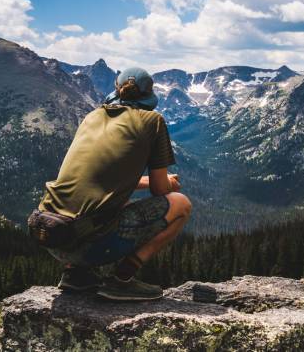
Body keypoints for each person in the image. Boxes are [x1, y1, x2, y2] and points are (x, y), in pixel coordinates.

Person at [36, 67, 192, 301]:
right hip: (90, 246)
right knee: (181, 205)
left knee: (110, 200)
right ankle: (122, 280)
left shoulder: (92, 116)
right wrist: (167, 183)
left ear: (116, 90)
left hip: (50, 233)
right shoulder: (153, 121)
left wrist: (151, 181)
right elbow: (160, 190)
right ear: (148, 96)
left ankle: (75, 275)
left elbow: (103, 178)